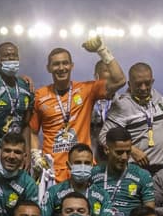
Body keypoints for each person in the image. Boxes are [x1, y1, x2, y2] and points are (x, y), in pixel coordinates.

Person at [30, 40, 124, 184]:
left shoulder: (87, 90)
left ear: (72, 66)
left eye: (65, 63)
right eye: (56, 64)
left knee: (83, 206)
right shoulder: (40, 95)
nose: (61, 68)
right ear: (48, 68)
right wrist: (35, 155)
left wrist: (102, 50)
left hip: (83, 166)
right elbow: (32, 132)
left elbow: (120, 80)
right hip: (52, 170)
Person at [88, 126, 155, 216]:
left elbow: (150, 214)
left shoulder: (142, 175)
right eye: (119, 152)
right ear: (106, 150)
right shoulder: (93, 173)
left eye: (128, 152)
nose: (124, 157)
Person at [42, 143, 95, 216]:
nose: (82, 167)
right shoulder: (53, 192)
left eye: (87, 163)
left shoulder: (101, 194)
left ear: (92, 165)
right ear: (68, 165)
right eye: (78, 163)